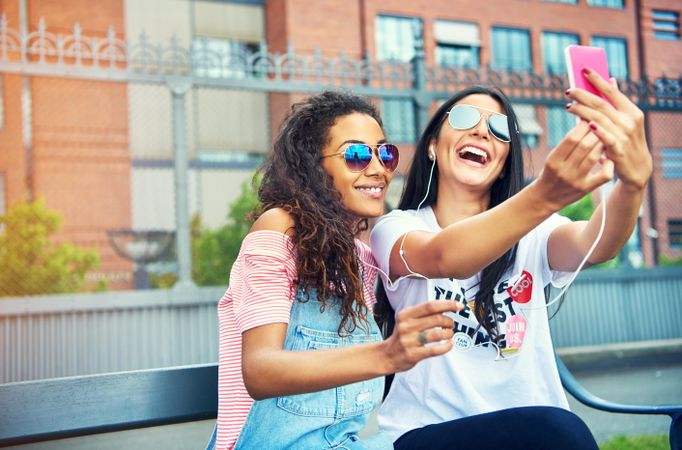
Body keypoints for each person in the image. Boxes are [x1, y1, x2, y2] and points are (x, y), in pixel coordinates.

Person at [370, 76, 651, 449]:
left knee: (555, 429)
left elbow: (597, 244)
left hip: (533, 430)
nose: (482, 132)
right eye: (465, 117)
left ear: (503, 163)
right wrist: (545, 194)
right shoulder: (396, 228)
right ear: (434, 146)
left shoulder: (537, 230)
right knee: (560, 431)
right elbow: (445, 257)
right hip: (428, 432)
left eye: (500, 129)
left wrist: (633, 183)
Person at [209, 91, 463, 450]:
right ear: (313, 166)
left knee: (540, 428)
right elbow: (260, 370)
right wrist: (387, 354)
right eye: (357, 155)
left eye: (385, 153)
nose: (378, 169)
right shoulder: (279, 228)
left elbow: (445, 254)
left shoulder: (361, 258)